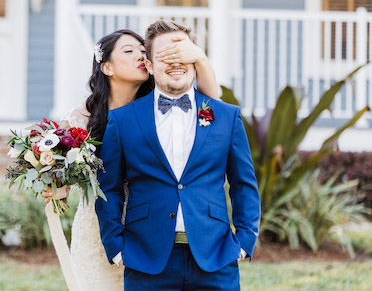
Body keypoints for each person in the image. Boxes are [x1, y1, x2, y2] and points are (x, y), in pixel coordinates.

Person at [43, 28, 220, 290]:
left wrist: (200, 59)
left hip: (149, 232)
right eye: (129, 51)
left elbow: (211, 104)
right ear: (107, 68)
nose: (140, 55)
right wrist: (55, 187)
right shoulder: (80, 120)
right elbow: (64, 180)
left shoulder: (159, 109)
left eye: (142, 51)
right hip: (95, 235)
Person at [96, 21, 261, 290]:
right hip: (145, 259)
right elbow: (109, 189)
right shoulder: (122, 119)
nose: (176, 62)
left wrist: (243, 243)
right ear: (148, 66)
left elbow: (244, 185)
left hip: (216, 258)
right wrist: (116, 247)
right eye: (166, 56)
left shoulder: (227, 117)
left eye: (183, 53)